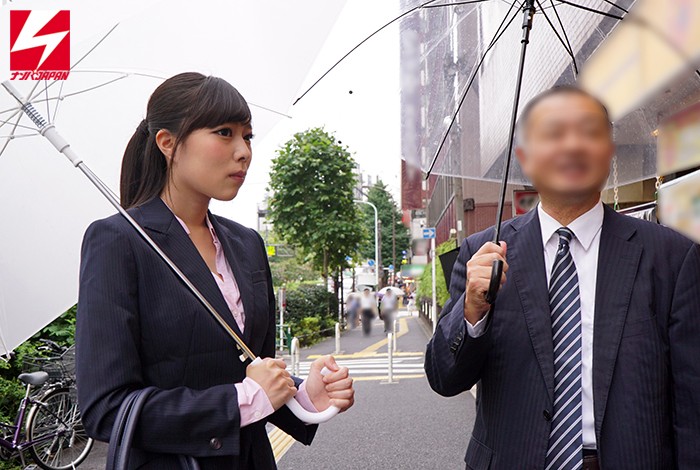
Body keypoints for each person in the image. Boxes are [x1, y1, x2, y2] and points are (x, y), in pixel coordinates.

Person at [75, 72, 355, 469]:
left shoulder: (246, 244)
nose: (243, 151)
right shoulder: (119, 241)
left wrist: (305, 396)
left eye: (248, 136)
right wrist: (242, 400)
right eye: (224, 133)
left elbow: (253, 371)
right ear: (168, 143)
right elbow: (106, 408)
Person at [425, 86, 700, 469]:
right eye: (554, 134)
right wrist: (472, 311)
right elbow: (444, 378)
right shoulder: (481, 254)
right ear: (525, 158)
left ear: (609, 151)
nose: (572, 145)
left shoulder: (671, 255)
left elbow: (692, 400)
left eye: (589, 132)